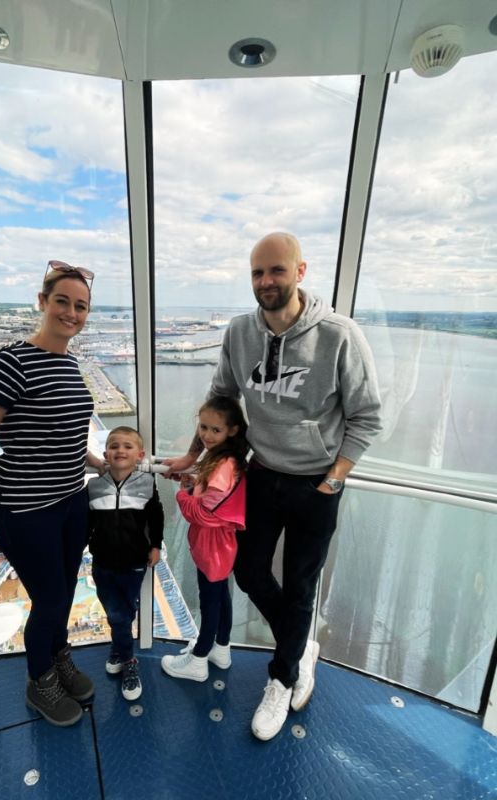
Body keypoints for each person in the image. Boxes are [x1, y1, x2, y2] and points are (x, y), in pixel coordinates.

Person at [166, 232, 382, 741]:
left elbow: (366, 417)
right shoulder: (240, 333)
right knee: (248, 570)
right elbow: (220, 398)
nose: (266, 282)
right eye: (258, 273)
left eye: (276, 271)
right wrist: (194, 458)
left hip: (316, 485)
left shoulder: (339, 335)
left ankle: (283, 678)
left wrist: (334, 478)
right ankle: (299, 640)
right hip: (261, 475)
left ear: (300, 271)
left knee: (303, 584)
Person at [0, 260, 104, 728]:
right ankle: (38, 681)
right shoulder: (12, 360)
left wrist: (97, 463)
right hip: (27, 510)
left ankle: (58, 655)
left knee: (64, 592)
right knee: (48, 599)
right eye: (62, 301)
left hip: (71, 500)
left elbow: (64, 434)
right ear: (43, 302)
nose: (71, 312)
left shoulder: (69, 363)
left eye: (80, 306)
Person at [161, 396, 248, 682]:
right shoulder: (223, 458)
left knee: (209, 601)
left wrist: (182, 495)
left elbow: (203, 513)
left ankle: (198, 659)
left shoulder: (223, 466)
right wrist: (189, 482)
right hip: (217, 544)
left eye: (215, 430)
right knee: (220, 596)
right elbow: (208, 495)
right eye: (203, 428)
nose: (206, 436)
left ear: (232, 431)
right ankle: (221, 649)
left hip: (213, 545)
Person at [87, 426, 164, 701]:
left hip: (133, 562)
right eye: (114, 445)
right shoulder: (94, 486)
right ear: (105, 453)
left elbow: (156, 517)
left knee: (124, 613)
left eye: (128, 446)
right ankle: (122, 649)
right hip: (103, 563)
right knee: (115, 613)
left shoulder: (146, 483)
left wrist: (156, 544)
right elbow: (87, 524)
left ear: (139, 454)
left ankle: (126, 657)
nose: (120, 450)